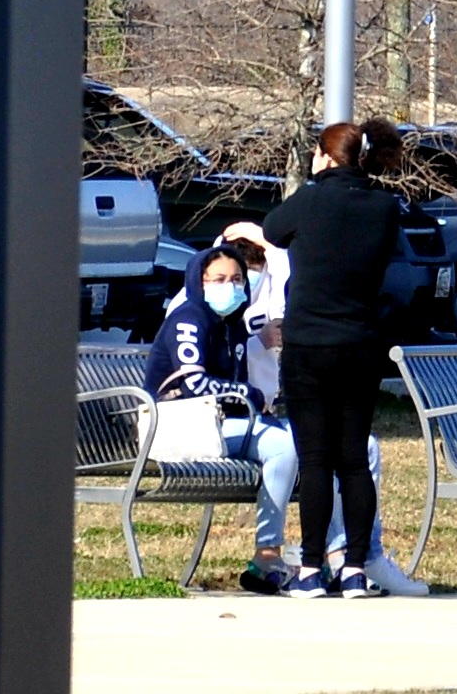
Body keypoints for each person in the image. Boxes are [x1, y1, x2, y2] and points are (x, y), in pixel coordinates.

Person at [258, 118, 406, 596]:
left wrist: (315, 179)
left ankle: (309, 570)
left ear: (325, 156)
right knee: (354, 461)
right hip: (360, 344)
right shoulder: (385, 206)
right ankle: (356, 568)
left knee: (316, 459)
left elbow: (272, 231)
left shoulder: (311, 198)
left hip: (308, 345)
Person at [145, 241, 297, 593]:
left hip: (226, 424)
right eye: (218, 279)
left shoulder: (233, 324)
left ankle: (342, 558)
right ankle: (267, 556)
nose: (229, 286)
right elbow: (193, 382)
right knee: (284, 446)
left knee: (339, 446)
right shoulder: (188, 319)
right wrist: (249, 394)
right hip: (183, 425)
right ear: (199, 281)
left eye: (236, 278)